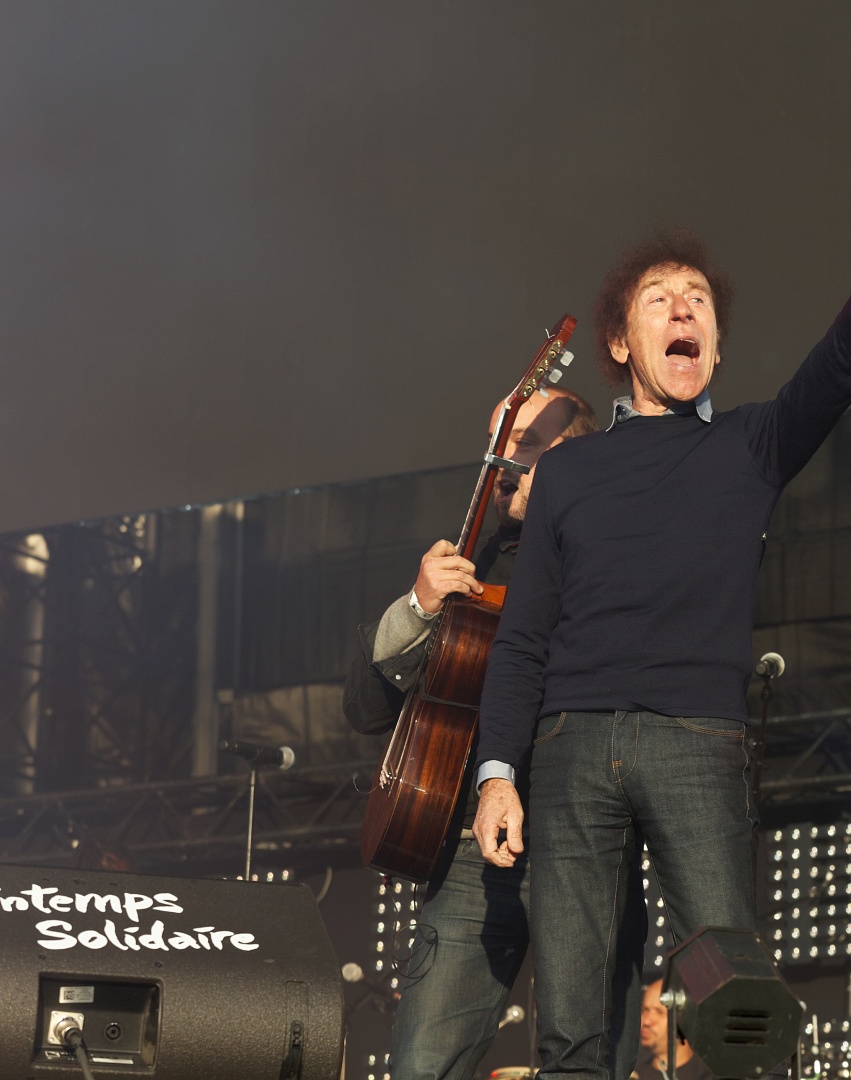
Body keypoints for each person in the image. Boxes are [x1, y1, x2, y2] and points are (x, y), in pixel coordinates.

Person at [471, 164, 851, 1080]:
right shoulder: (568, 473)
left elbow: (840, 363)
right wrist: (498, 773)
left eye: (697, 300)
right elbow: (524, 635)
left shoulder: (749, 446)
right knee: (570, 1027)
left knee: (734, 1008)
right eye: (660, 299)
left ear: (716, 345)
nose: (682, 309)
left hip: (696, 740)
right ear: (620, 341)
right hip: (572, 745)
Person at [343, 387, 647, 1080]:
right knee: (422, 1066)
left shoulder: (621, 548)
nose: (502, 465)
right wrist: (417, 607)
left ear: (577, 453)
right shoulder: (470, 565)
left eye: (526, 447)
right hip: (473, 851)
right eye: (496, 447)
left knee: (595, 1062)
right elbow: (364, 709)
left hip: (591, 838)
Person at [631, 977, 713, 1080]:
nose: (646, 1021)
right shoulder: (632, 1075)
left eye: (659, 1012)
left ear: (685, 1018)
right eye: (645, 1010)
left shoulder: (710, 1075)